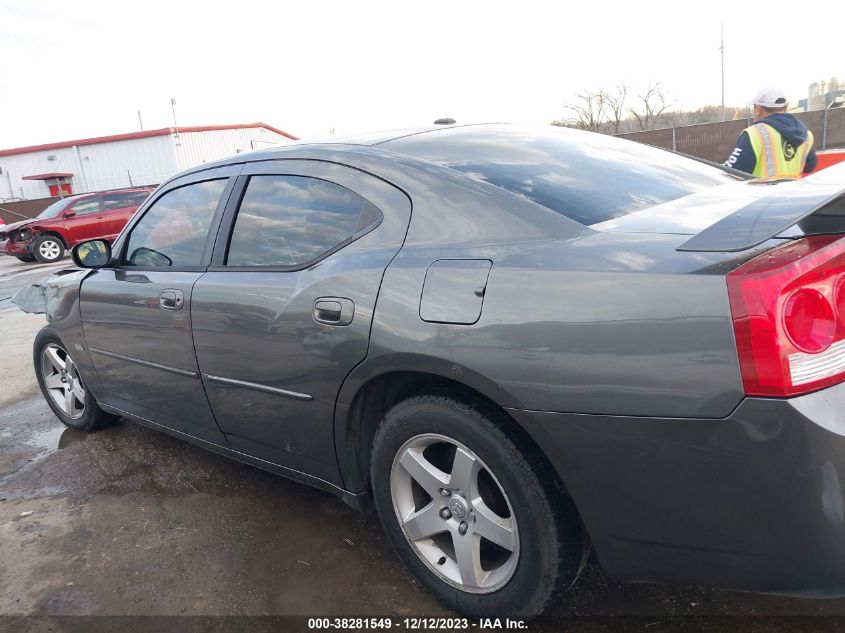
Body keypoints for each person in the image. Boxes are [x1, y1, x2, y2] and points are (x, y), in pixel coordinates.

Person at [724, 87, 817, 178]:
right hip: (792, 193)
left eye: (754, 108)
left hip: (762, 193)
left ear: (758, 110)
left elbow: (732, 173)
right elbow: (809, 167)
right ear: (786, 106)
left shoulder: (754, 134)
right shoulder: (806, 135)